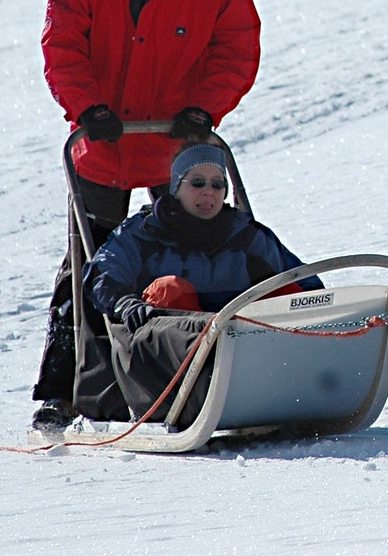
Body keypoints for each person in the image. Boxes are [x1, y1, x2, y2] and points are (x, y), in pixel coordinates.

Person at [31, 0, 262, 431]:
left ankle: (186, 372)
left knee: (188, 249)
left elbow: (236, 46)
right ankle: (69, 386)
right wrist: (87, 108)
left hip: (176, 140)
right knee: (92, 260)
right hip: (105, 136)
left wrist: (204, 108)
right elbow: (63, 39)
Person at [81, 144, 323, 427]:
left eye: (217, 184)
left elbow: (305, 286)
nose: (208, 191)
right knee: (168, 289)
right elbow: (102, 274)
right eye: (197, 183)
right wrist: (125, 302)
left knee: (286, 291)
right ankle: (207, 390)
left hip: (249, 359)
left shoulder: (245, 235)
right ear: (175, 188)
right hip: (167, 369)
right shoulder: (142, 233)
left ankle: (306, 383)